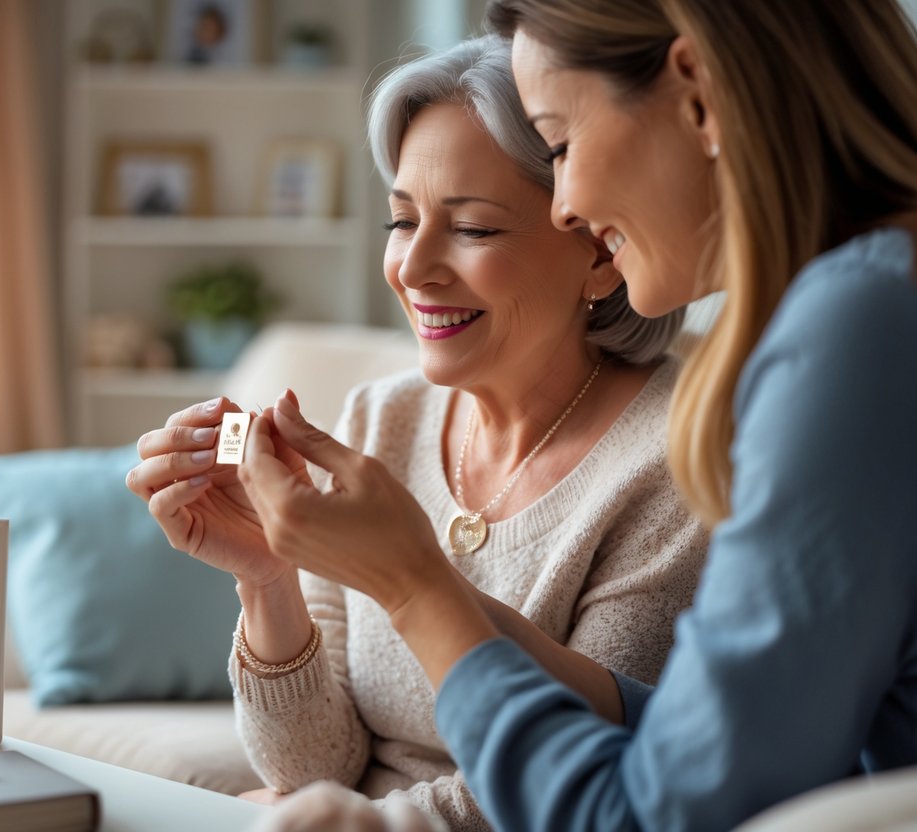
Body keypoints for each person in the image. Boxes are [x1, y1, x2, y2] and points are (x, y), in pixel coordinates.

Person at [234, 1, 917, 830]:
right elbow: (739, 745)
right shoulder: (870, 304)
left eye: (560, 143)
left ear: (697, 93)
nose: (566, 204)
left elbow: (647, 815)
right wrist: (294, 574)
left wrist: (413, 588)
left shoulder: (861, 324)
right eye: (401, 219)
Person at [128, 35, 708, 830]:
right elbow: (308, 766)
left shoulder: (678, 456)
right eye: (402, 221)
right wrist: (268, 578)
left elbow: (584, 777)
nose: (414, 267)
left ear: (599, 252)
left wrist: (340, 819)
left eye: (472, 229)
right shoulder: (381, 417)